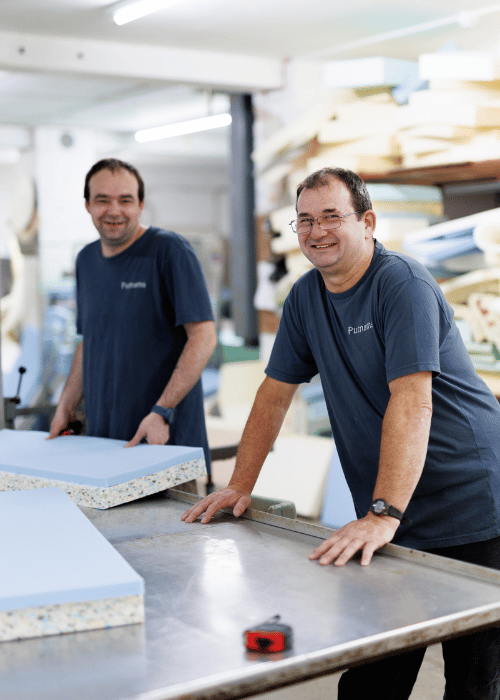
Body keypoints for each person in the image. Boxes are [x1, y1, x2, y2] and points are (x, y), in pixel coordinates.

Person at [182, 167, 500, 698]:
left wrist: (383, 512)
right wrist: (239, 484)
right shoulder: (306, 297)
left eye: (332, 216)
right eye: (304, 221)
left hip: (470, 500)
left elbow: (413, 400)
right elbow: (274, 394)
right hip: (392, 505)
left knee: (472, 679)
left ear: (368, 222)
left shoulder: (402, 284)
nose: (316, 232)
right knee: (373, 677)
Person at [49, 158, 217, 473]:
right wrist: (66, 404)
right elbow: (89, 340)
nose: (114, 211)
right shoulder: (86, 260)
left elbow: (204, 336)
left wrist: (162, 411)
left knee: (168, 523)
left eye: (125, 200)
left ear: (140, 205)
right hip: (104, 441)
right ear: (87, 205)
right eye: (102, 200)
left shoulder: (170, 252)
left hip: (163, 439)